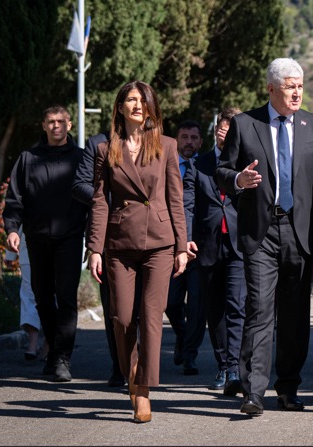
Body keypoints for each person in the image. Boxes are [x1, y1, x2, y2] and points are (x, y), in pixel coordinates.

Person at [215, 58, 313, 415]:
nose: (297, 92)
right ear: (271, 89)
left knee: (295, 315)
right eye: (289, 86)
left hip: (300, 232)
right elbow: (222, 169)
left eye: (300, 86)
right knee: (260, 310)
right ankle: (254, 392)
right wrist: (238, 181)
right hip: (261, 230)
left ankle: (288, 387)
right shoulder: (245, 124)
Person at [87, 80, 191, 423]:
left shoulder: (167, 145)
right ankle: (129, 367)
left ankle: (144, 390)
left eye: (142, 100)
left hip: (160, 243)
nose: (137, 105)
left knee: (150, 315)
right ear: (120, 107)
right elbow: (100, 202)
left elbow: (176, 199)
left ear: (150, 107)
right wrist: (95, 249)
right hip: (119, 243)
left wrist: (180, 246)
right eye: (130, 100)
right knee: (121, 318)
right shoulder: (106, 149)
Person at [3, 105, 87, 383]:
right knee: (42, 298)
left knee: (65, 298)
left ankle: (62, 358)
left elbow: (93, 198)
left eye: (61, 121)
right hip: (36, 239)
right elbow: (15, 198)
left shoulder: (81, 158)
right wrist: (13, 229)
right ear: (43, 125)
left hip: (70, 238)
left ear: (69, 125)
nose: (56, 126)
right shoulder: (28, 158)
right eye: (50, 122)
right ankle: (53, 351)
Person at [184, 107, 246, 395]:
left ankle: (234, 367)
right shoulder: (200, 164)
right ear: (216, 131)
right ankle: (223, 364)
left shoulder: (249, 164)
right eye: (223, 128)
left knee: (236, 305)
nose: (226, 134)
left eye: (232, 130)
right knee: (214, 310)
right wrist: (185, 237)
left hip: (239, 243)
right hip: (206, 244)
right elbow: (187, 204)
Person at [71, 131, 125, 388]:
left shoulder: (154, 140)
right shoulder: (98, 144)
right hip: (108, 234)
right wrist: (109, 198)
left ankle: (139, 362)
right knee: (114, 307)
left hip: (147, 235)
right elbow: (79, 184)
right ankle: (120, 364)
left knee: (141, 308)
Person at [166, 119, 206, 376]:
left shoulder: (205, 167)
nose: (189, 142)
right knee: (170, 303)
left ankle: (190, 355)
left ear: (200, 142)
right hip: (169, 246)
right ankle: (182, 337)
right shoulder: (165, 166)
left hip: (199, 248)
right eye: (184, 137)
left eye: (193, 138)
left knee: (197, 306)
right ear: (176, 140)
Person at [5, 226, 48, 362]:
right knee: (29, 294)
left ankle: (49, 343)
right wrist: (10, 252)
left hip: (60, 247)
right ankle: (33, 342)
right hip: (28, 246)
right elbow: (16, 216)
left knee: (54, 296)